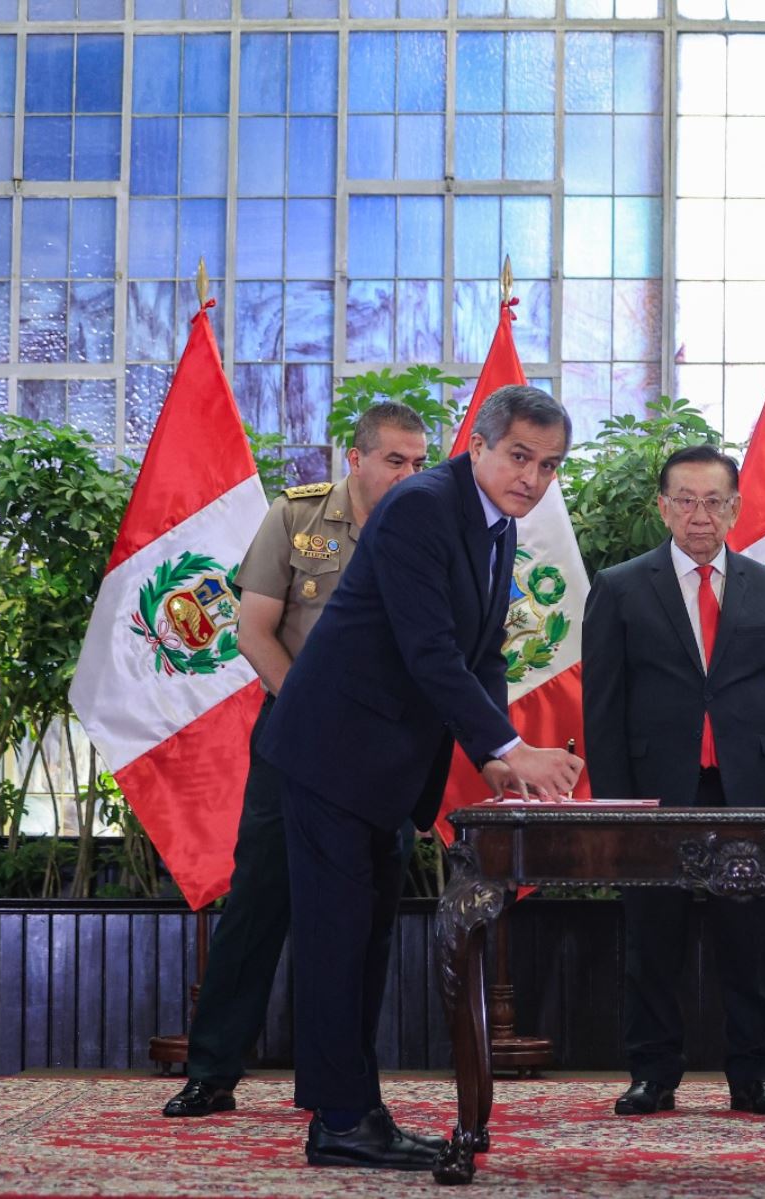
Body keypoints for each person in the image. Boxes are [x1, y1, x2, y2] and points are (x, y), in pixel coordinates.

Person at [256, 384, 584, 1170]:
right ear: (478, 444)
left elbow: (483, 656)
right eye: (519, 457)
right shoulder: (421, 507)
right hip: (334, 751)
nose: (532, 478)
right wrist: (507, 743)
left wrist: (501, 759)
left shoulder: (498, 525)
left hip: (388, 765)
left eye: (549, 465)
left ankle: (348, 1110)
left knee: (364, 939)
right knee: (338, 939)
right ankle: (340, 1119)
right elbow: (428, 650)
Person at [162, 402, 428, 1119]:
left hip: (385, 748)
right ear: (356, 458)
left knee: (366, 912)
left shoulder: (430, 525)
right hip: (299, 736)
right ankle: (212, 1068)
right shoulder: (298, 516)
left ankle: (340, 1082)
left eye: (419, 461)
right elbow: (253, 631)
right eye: (394, 459)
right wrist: (316, 716)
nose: (408, 474)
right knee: (259, 901)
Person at [582, 444, 765, 1119]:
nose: (700, 514)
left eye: (714, 500)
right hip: (655, 793)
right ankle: (652, 1073)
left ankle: (754, 1074)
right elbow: (603, 706)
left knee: (750, 940)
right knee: (653, 937)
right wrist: (617, 806)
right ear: (662, 507)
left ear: (736, 508)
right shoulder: (620, 586)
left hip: (746, 790)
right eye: (684, 499)